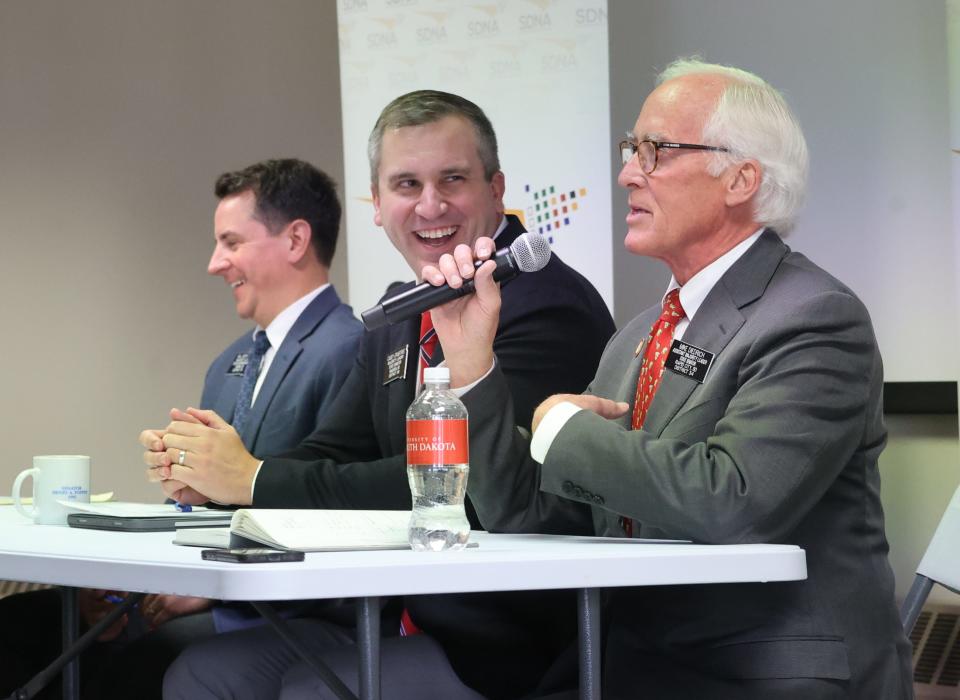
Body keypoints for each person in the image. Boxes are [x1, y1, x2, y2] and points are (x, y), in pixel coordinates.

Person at [425, 59, 914, 699]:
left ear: (741, 178)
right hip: (631, 662)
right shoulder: (638, 336)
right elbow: (532, 513)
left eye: (656, 150)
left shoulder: (815, 318)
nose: (629, 171)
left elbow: (734, 500)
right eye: (632, 149)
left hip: (758, 673)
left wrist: (562, 428)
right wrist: (471, 363)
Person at [152, 90, 616, 699]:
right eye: (405, 184)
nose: (430, 205)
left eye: (453, 178)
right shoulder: (398, 310)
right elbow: (336, 449)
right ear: (376, 204)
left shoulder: (546, 302)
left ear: (497, 189)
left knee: (312, 691)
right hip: (384, 615)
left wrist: (256, 481)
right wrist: (216, 477)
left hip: (501, 642)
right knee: (201, 675)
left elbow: (459, 485)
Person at [0, 158, 362, 700]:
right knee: (21, 628)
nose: (215, 263)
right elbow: (201, 513)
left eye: (231, 242)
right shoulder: (230, 363)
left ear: (296, 240)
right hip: (200, 589)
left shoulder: (350, 350)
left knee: (130, 665)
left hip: (278, 612)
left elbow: (344, 515)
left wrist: (212, 593)